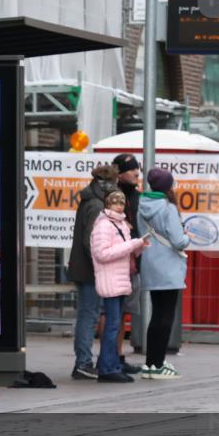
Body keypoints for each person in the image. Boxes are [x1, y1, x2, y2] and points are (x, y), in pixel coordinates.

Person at [89, 190, 149, 383]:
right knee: (112, 326)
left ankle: (112, 365)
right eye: (114, 203)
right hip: (110, 281)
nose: (119, 206)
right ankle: (107, 369)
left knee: (116, 325)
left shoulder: (121, 224)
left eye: (121, 203)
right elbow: (102, 254)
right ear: (107, 205)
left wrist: (139, 246)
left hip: (120, 279)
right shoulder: (103, 225)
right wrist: (132, 245)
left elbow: (125, 251)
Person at [67, 164, 119, 380]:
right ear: (107, 184)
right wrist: (101, 263)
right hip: (90, 270)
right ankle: (83, 362)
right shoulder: (97, 205)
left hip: (85, 267)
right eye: (114, 183)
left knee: (88, 314)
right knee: (89, 315)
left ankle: (83, 361)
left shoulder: (91, 200)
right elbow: (92, 240)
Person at [138, 168, 191, 379]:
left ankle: (150, 363)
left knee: (156, 315)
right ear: (168, 186)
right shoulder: (168, 208)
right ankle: (158, 364)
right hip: (169, 267)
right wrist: (187, 237)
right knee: (166, 316)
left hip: (150, 264)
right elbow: (178, 241)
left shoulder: (142, 205)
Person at [111, 153, 144, 375]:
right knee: (113, 312)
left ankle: (118, 356)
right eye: (132, 169)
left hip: (133, 259)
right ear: (120, 173)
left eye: (137, 169)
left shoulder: (138, 197)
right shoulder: (114, 197)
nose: (136, 173)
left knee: (124, 313)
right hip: (118, 261)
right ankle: (111, 357)